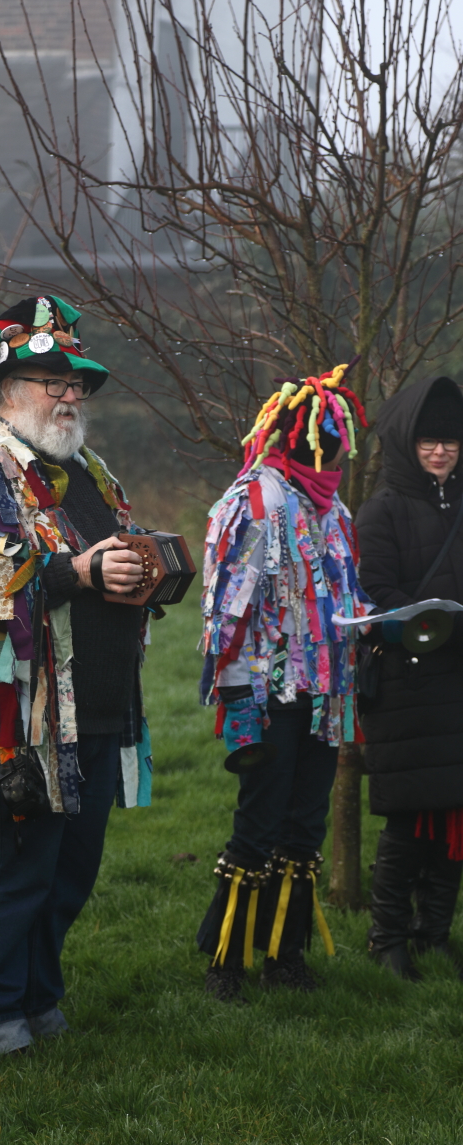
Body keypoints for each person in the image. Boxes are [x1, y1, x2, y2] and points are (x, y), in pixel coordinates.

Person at [0, 295, 153, 1053]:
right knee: (14, 867)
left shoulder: (90, 473)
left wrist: (147, 569)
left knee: (71, 871)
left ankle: (39, 995)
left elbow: (109, 556)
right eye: (53, 380)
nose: (70, 394)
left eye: (75, 381)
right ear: (8, 389)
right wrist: (74, 570)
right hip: (22, 717)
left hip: (100, 707)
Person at [196, 365, 371, 1001]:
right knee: (259, 824)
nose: (334, 457)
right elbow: (226, 616)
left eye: (338, 446)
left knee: (305, 825)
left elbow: (342, 596)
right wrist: (240, 703)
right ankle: (226, 960)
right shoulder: (254, 503)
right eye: (324, 443)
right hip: (269, 698)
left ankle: (284, 955)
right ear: (296, 440)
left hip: (326, 697)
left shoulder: (335, 511)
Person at [356, 376, 463, 979]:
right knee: (408, 819)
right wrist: (432, 626)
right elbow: (374, 590)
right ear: (407, 444)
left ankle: (434, 935)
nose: (440, 452)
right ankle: (388, 938)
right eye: (428, 441)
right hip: (408, 683)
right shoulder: (383, 509)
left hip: (460, 682)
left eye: (450, 441)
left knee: (457, 812)